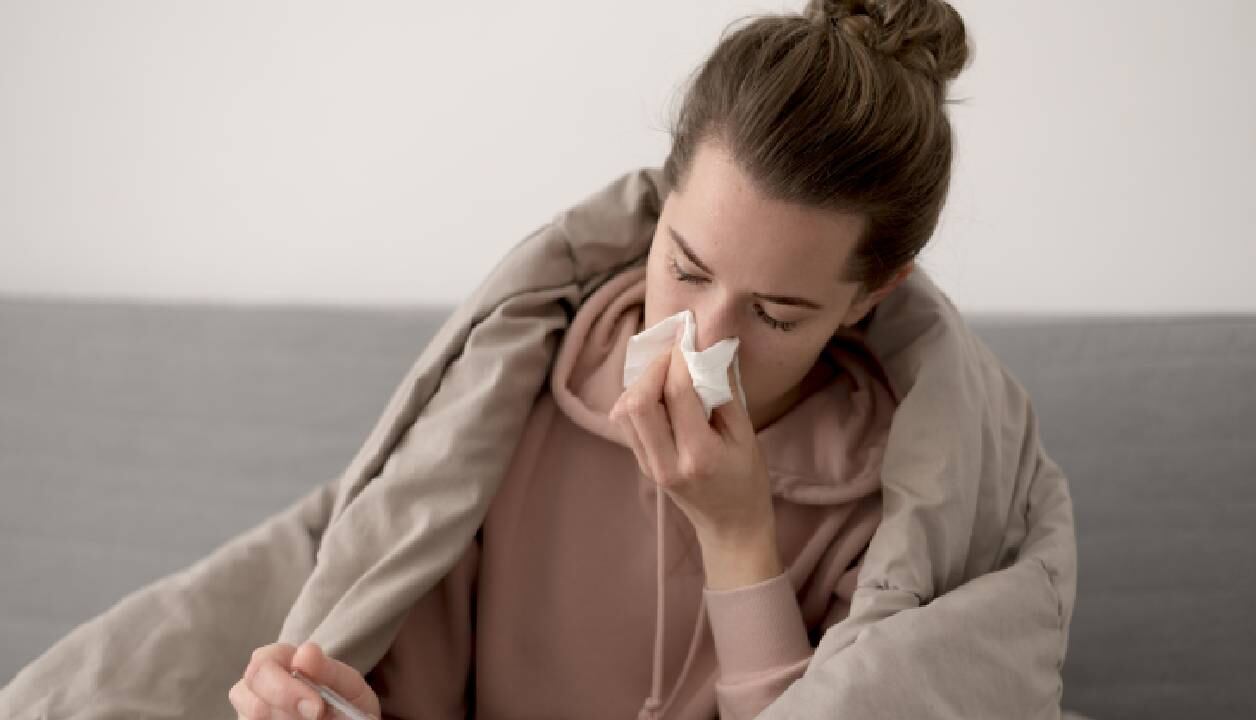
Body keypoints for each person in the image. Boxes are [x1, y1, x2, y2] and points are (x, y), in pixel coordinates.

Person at [228, 0, 971, 717]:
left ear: (869, 296)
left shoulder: (887, 513)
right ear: (658, 212)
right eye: (684, 269)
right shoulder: (510, 408)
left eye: (775, 313)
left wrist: (739, 537)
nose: (705, 340)